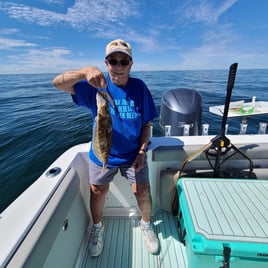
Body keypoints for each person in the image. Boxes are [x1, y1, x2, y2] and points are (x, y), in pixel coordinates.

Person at [52, 39, 159, 257]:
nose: (118, 66)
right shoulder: (95, 86)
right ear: (106, 63)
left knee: (143, 191)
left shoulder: (139, 88)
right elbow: (57, 84)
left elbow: (147, 124)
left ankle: (146, 226)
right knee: (97, 190)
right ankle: (97, 228)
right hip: (102, 153)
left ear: (131, 63)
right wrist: (84, 72)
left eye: (123, 61)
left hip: (133, 155)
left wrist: (141, 152)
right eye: (113, 60)